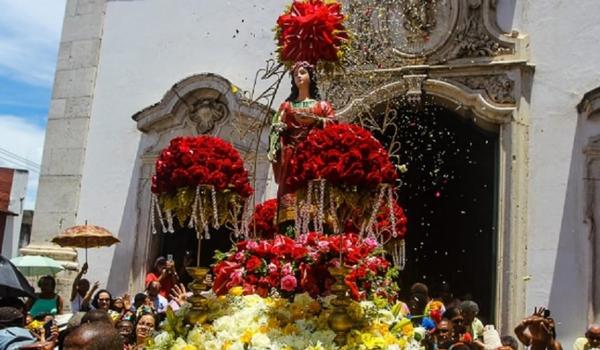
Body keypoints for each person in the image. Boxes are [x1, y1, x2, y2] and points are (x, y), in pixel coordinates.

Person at [267, 61, 336, 231]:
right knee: (290, 202)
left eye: (303, 72)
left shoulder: (322, 106)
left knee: (315, 200)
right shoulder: (286, 106)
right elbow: (275, 130)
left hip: (314, 158)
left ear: (311, 77)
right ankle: (290, 231)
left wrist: (317, 121)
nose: (298, 76)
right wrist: (278, 133)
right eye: (295, 74)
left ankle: (317, 232)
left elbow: (334, 126)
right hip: (291, 160)